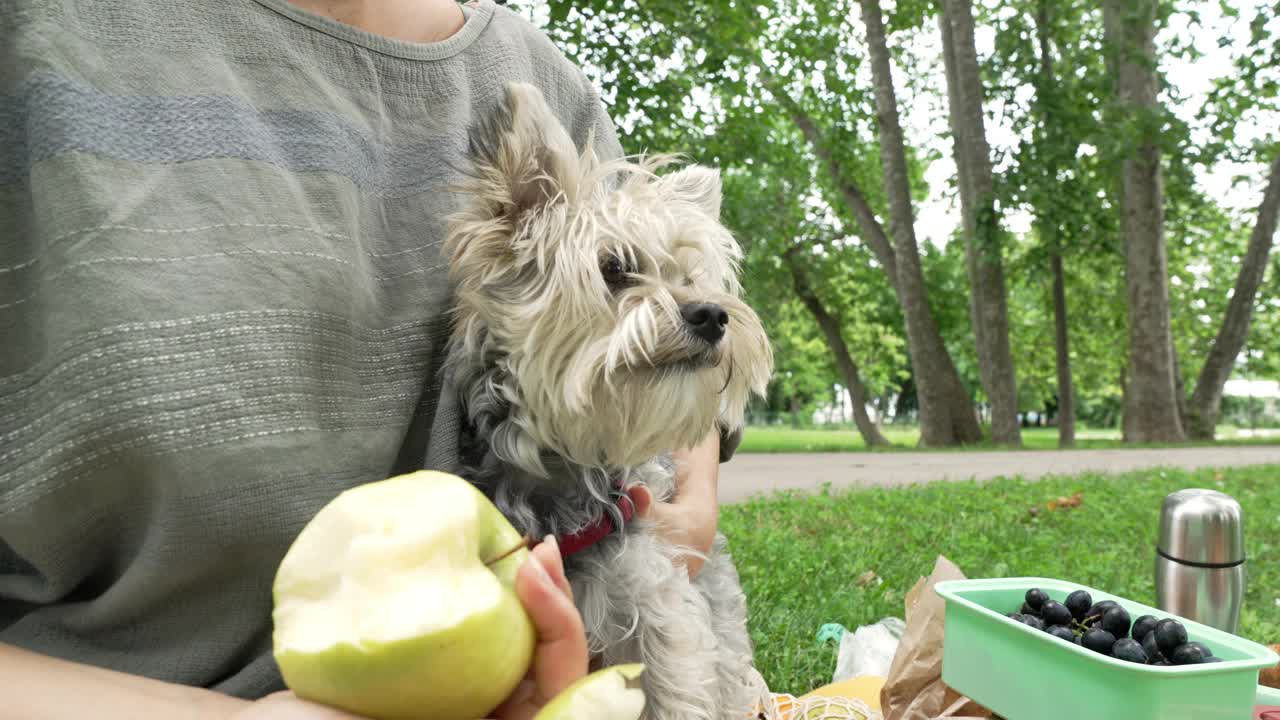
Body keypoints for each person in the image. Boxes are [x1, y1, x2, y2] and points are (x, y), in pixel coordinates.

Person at [0, 0, 731, 717]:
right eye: (616, 276)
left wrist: (692, 501)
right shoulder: (36, 33)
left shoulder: (535, 75)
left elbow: (668, 332)